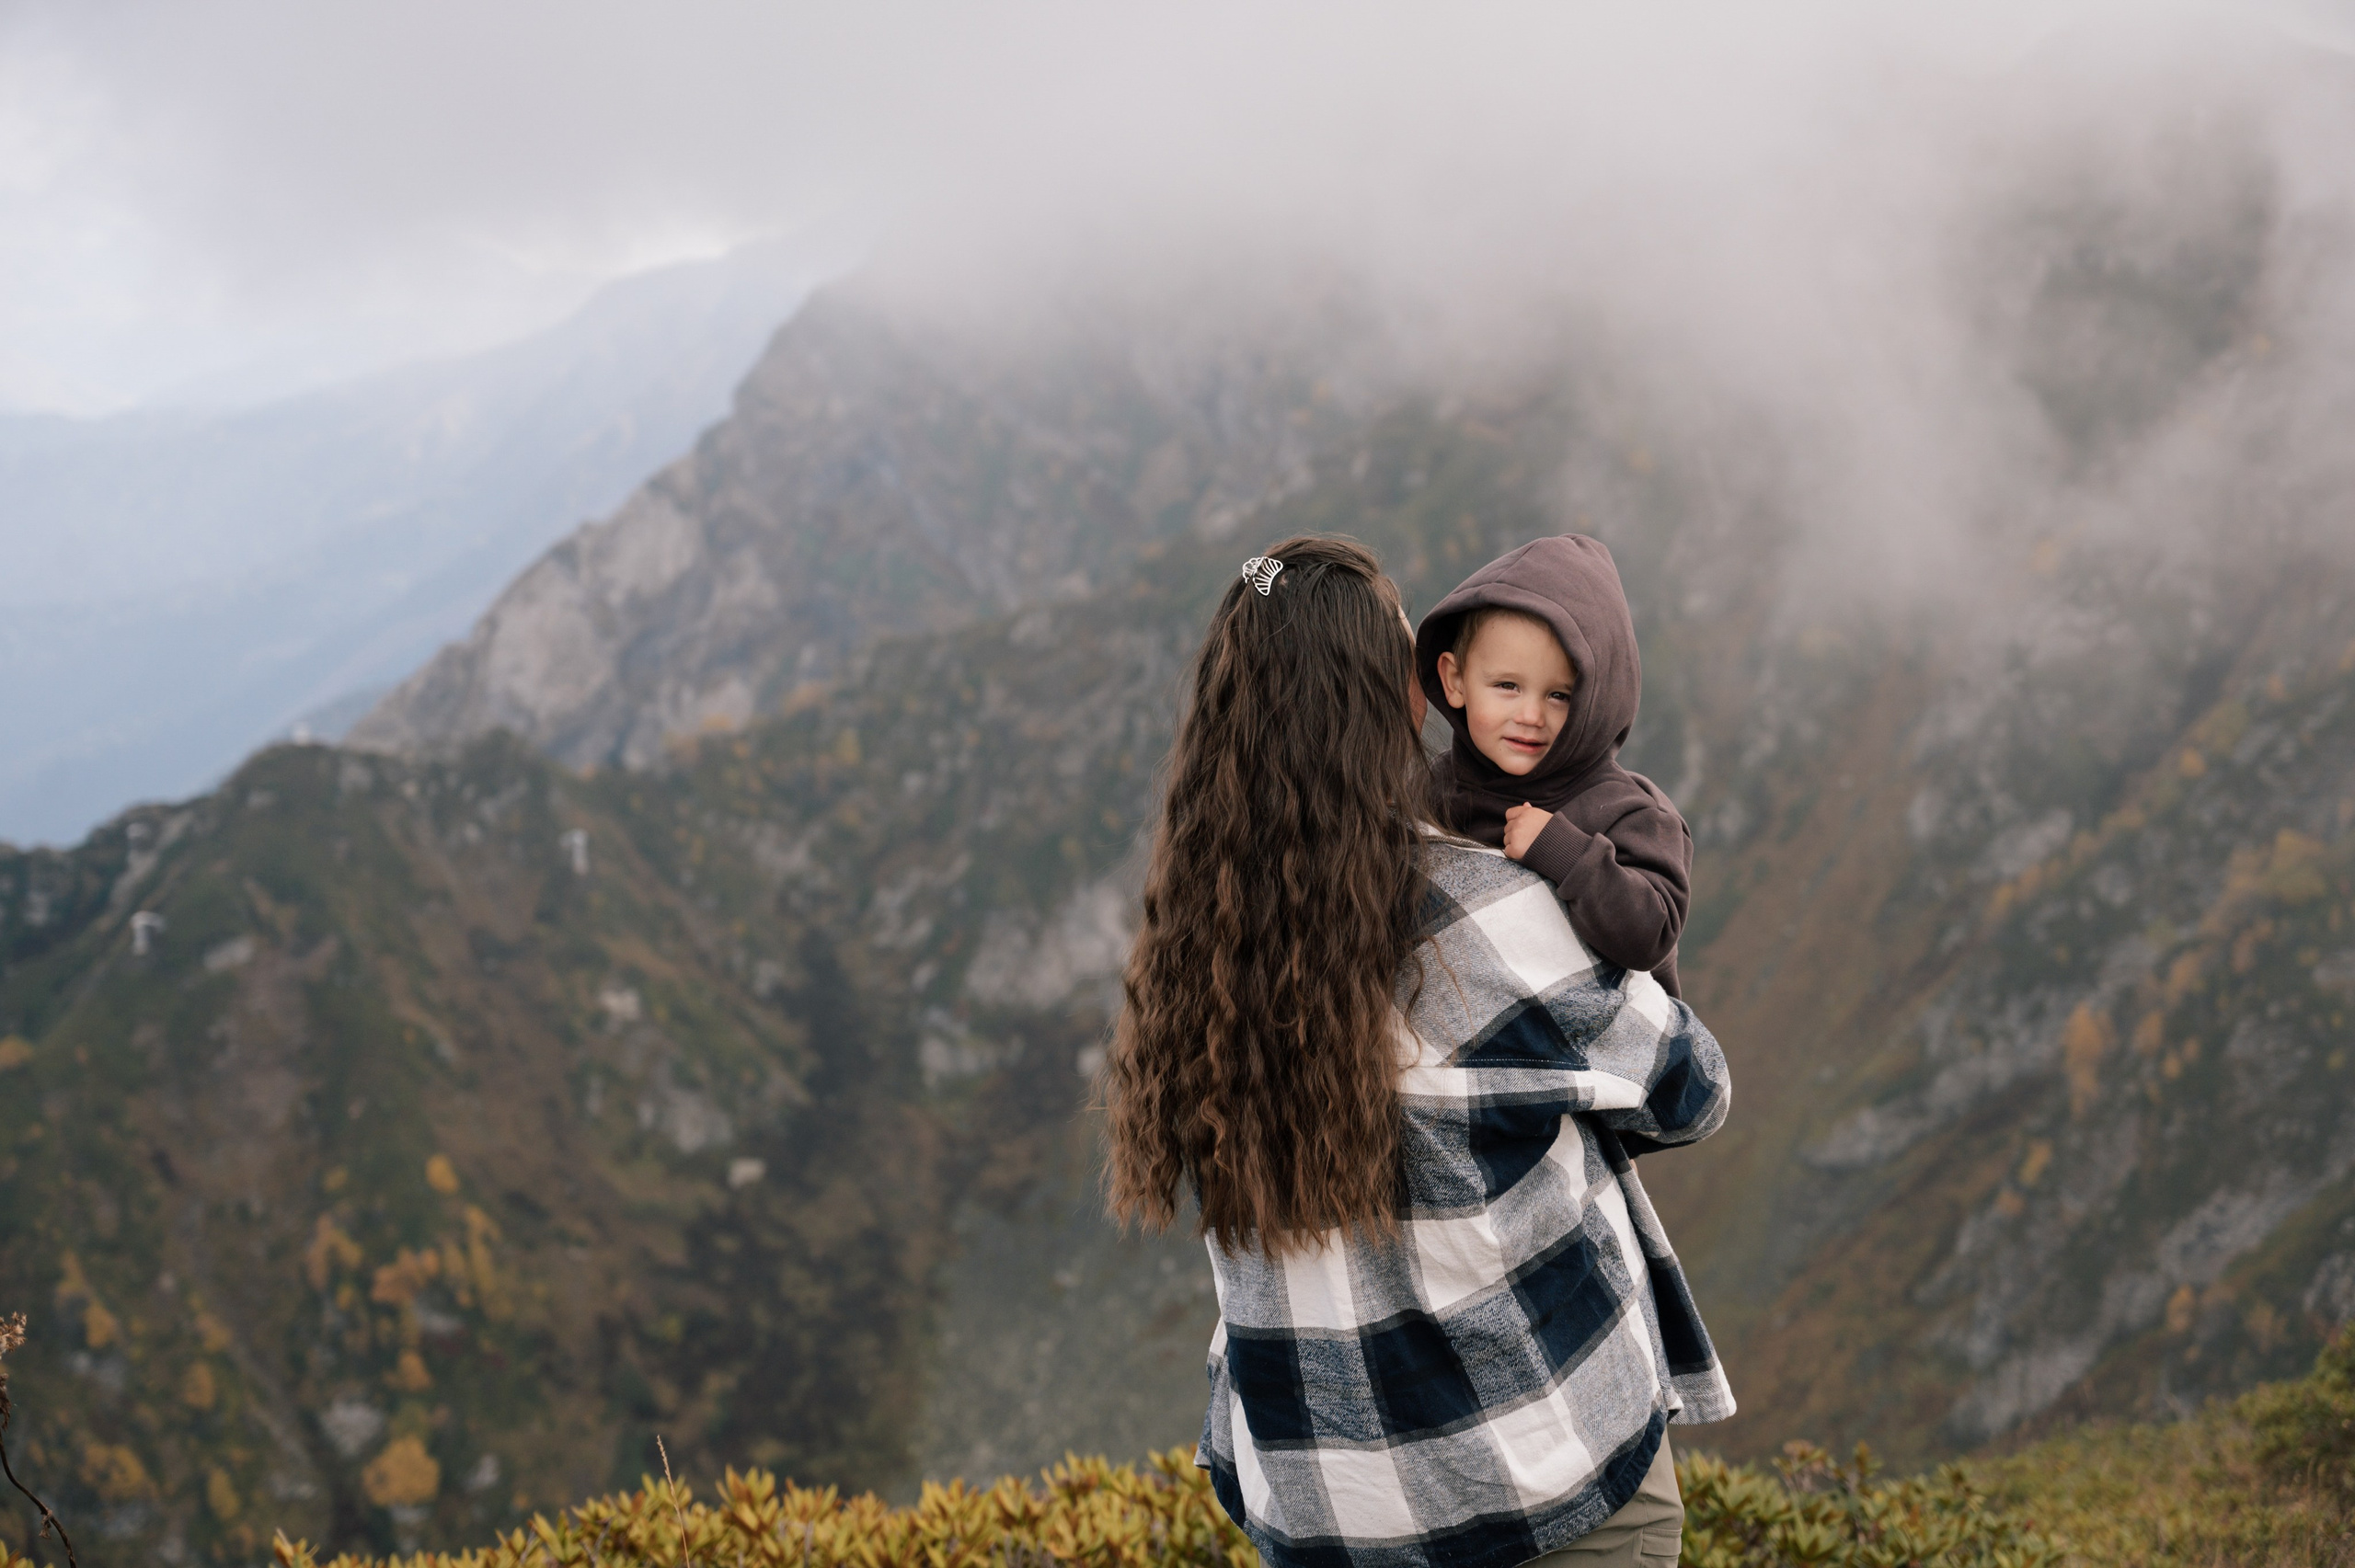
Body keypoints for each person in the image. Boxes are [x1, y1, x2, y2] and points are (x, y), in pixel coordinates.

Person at [1104, 534, 1734, 1568]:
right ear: (1389, 703)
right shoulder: (1486, 919)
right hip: (1541, 1490)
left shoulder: (1196, 948)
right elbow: (1691, 1089)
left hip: (1321, 1506)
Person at [1416, 536, 1694, 997]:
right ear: (1455, 680)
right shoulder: (1430, 791)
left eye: (1559, 695)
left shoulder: (1630, 813)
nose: (1531, 716)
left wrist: (1564, 853)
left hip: (1599, 1056)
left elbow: (1653, 935)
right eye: (1508, 685)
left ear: (1597, 703)